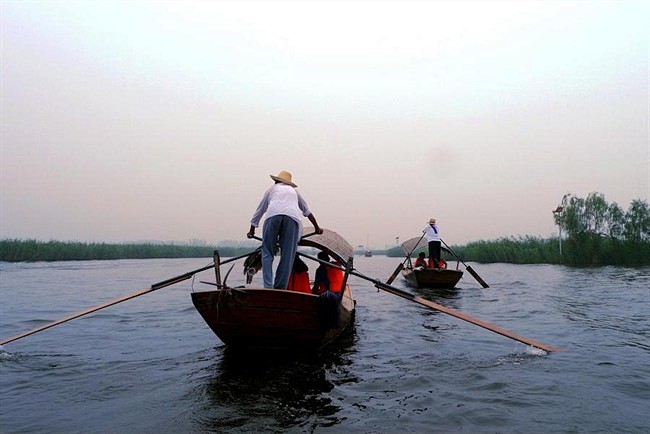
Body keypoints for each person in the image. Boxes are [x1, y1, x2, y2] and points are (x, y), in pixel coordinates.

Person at [247, 170, 323, 289]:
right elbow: (307, 212)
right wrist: (317, 227)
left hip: (272, 217)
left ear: (277, 181)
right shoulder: (294, 192)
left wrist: (252, 230)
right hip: (292, 219)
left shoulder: (271, 190)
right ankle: (280, 287)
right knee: (287, 255)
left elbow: (260, 210)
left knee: (267, 252)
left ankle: (268, 286)